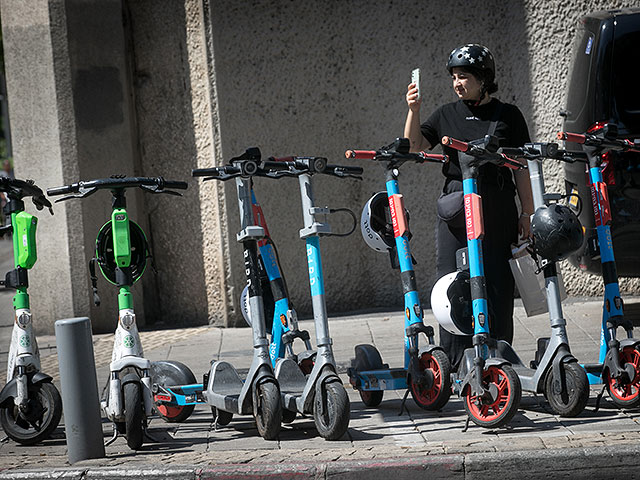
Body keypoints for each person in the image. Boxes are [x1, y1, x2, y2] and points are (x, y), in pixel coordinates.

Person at [403, 44, 534, 370]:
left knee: (497, 283)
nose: (457, 83)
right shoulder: (446, 114)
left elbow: (519, 166)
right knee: (452, 282)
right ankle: (456, 361)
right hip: (457, 209)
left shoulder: (509, 116)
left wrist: (527, 212)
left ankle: (498, 357)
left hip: (497, 207)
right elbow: (414, 146)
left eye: (464, 76)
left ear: (484, 79)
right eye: (454, 77)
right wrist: (414, 110)